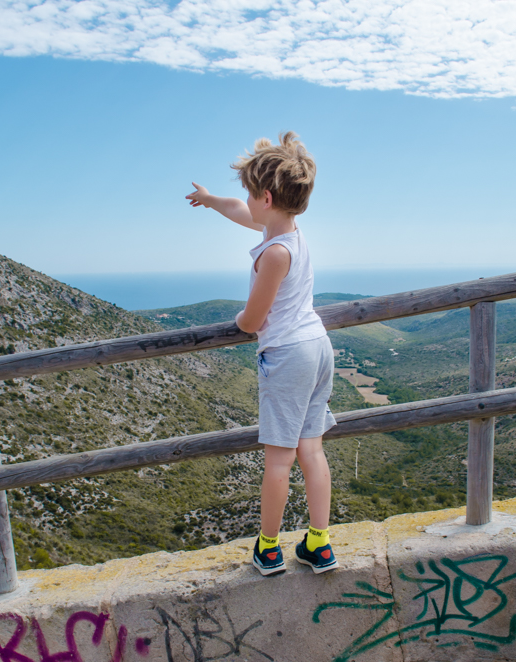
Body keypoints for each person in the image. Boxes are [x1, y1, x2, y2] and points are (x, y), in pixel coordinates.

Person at [185, 131, 338, 576]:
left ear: (266, 197)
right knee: (312, 451)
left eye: (250, 195)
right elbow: (244, 213)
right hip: (318, 346)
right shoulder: (291, 231)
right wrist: (212, 200)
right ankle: (319, 544)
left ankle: (269, 549)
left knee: (279, 460)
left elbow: (252, 322)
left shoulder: (272, 254)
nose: (246, 202)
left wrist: (237, 321)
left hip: (289, 356)